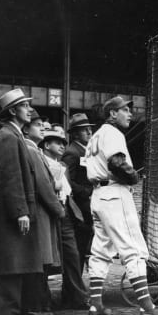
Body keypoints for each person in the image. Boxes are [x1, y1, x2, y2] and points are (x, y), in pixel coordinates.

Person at [84, 96, 158, 315]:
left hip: (98, 195)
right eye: (125, 110)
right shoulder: (113, 133)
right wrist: (133, 176)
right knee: (134, 250)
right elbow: (117, 163)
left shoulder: (95, 136)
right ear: (112, 114)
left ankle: (95, 305)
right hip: (115, 194)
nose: (130, 114)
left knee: (100, 250)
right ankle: (146, 308)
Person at [0, 89, 43, 315]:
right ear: (13, 110)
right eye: (24, 105)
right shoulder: (8, 137)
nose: (29, 109)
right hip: (10, 213)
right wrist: (20, 211)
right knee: (11, 262)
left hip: (10, 211)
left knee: (16, 260)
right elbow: (10, 178)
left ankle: (14, 311)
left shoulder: (12, 135)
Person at [40, 129, 90, 310]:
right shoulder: (40, 162)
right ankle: (43, 300)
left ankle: (78, 297)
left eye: (63, 142)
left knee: (72, 255)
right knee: (47, 258)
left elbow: (68, 192)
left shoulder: (62, 165)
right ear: (46, 145)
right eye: (57, 142)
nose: (62, 145)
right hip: (49, 213)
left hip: (66, 213)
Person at [22, 109, 64, 315]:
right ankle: (35, 306)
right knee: (39, 262)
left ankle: (39, 303)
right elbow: (43, 186)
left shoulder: (34, 150)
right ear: (27, 130)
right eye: (38, 125)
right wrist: (59, 209)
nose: (43, 129)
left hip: (41, 211)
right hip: (41, 212)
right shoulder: (31, 151)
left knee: (40, 262)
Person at [62, 113, 95, 274]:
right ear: (75, 134)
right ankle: (73, 293)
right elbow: (67, 181)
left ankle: (78, 290)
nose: (89, 133)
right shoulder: (72, 152)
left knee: (83, 249)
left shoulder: (85, 150)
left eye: (89, 129)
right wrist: (88, 192)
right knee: (78, 251)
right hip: (79, 208)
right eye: (84, 130)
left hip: (87, 206)